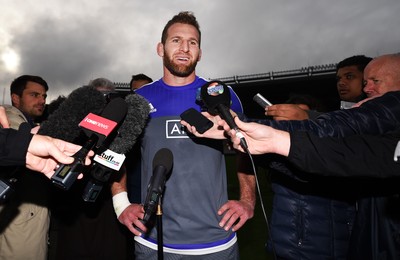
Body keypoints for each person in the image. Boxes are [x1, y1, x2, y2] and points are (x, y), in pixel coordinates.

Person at [183, 53, 400, 259]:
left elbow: (335, 131)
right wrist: (267, 141)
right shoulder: (371, 143)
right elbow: (331, 154)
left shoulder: (383, 110)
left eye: (375, 81)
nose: (367, 88)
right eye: (364, 82)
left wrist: (258, 127)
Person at [112, 11, 255, 259]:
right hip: (153, 243)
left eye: (193, 42)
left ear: (199, 53)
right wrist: (121, 203)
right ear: (160, 48)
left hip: (216, 242)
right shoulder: (138, 100)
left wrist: (247, 200)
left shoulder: (223, 96)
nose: (185, 48)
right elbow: (116, 153)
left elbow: (247, 150)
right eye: (176, 40)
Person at [49, 78, 133, 260]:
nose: (102, 103)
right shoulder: (74, 124)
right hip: (72, 213)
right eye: (97, 96)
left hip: (107, 213)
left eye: (106, 97)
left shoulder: (123, 130)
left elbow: (124, 169)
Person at [0, 75, 51, 260]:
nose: (42, 100)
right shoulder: (9, 116)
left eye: (44, 96)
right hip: (19, 223)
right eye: (35, 95)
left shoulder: (30, 122)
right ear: (16, 98)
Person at [266, 55, 372, 120]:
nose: (341, 83)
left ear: (367, 78)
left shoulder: (380, 109)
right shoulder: (343, 111)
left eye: (349, 76)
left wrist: (306, 116)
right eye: (338, 79)